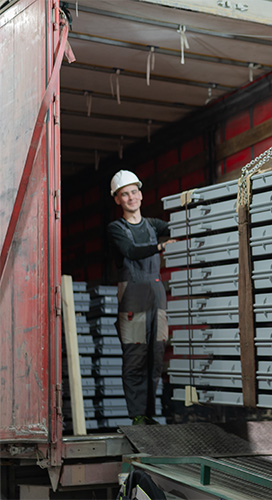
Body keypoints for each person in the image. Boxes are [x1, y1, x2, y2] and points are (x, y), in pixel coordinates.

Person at [107, 170, 175, 425]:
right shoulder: (116, 228)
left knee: (156, 355)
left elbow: (180, 226)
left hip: (156, 294)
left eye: (134, 192)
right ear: (117, 199)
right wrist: (160, 246)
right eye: (124, 194)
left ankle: (149, 415)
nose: (131, 197)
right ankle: (137, 416)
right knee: (136, 356)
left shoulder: (154, 225)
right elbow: (131, 251)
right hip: (132, 296)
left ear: (141, 194)